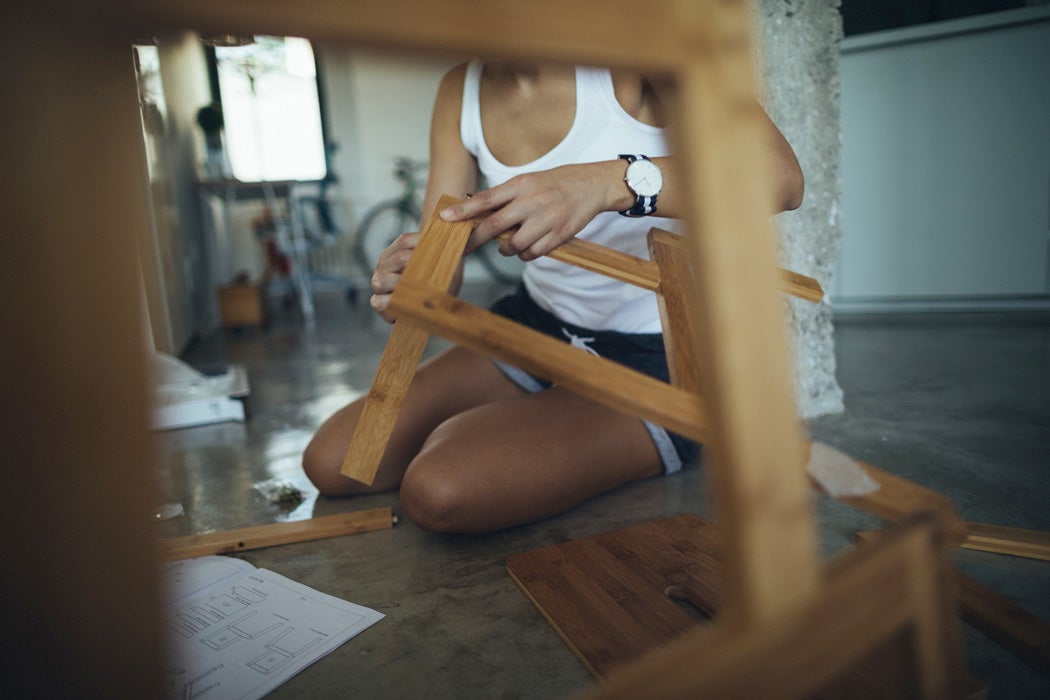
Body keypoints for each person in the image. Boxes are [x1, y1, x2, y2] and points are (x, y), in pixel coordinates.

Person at [302, 60, 804, 534]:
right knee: (334, 461)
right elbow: (441, 263)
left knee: (439, 489)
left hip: (660, 358)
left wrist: (606, 182)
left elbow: (781, 178)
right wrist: (412, 284)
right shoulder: (462, 87)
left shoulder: (631, 54)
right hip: (535, 325)